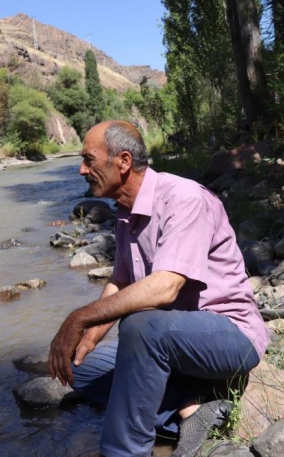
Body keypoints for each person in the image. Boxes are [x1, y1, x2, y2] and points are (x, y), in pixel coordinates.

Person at [48, 121, 268, 457]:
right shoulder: (125, 213)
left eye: (89, 160)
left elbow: (165, 288)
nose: (81, 169)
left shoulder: (183, 198)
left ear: (122, 162)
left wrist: (79, 317)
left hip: (230, 337)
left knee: (139, 324)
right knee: (76, 368)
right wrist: (87, 338)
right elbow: (120, 281)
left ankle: (123, 451)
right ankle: (192, 407)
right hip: (174, 344)